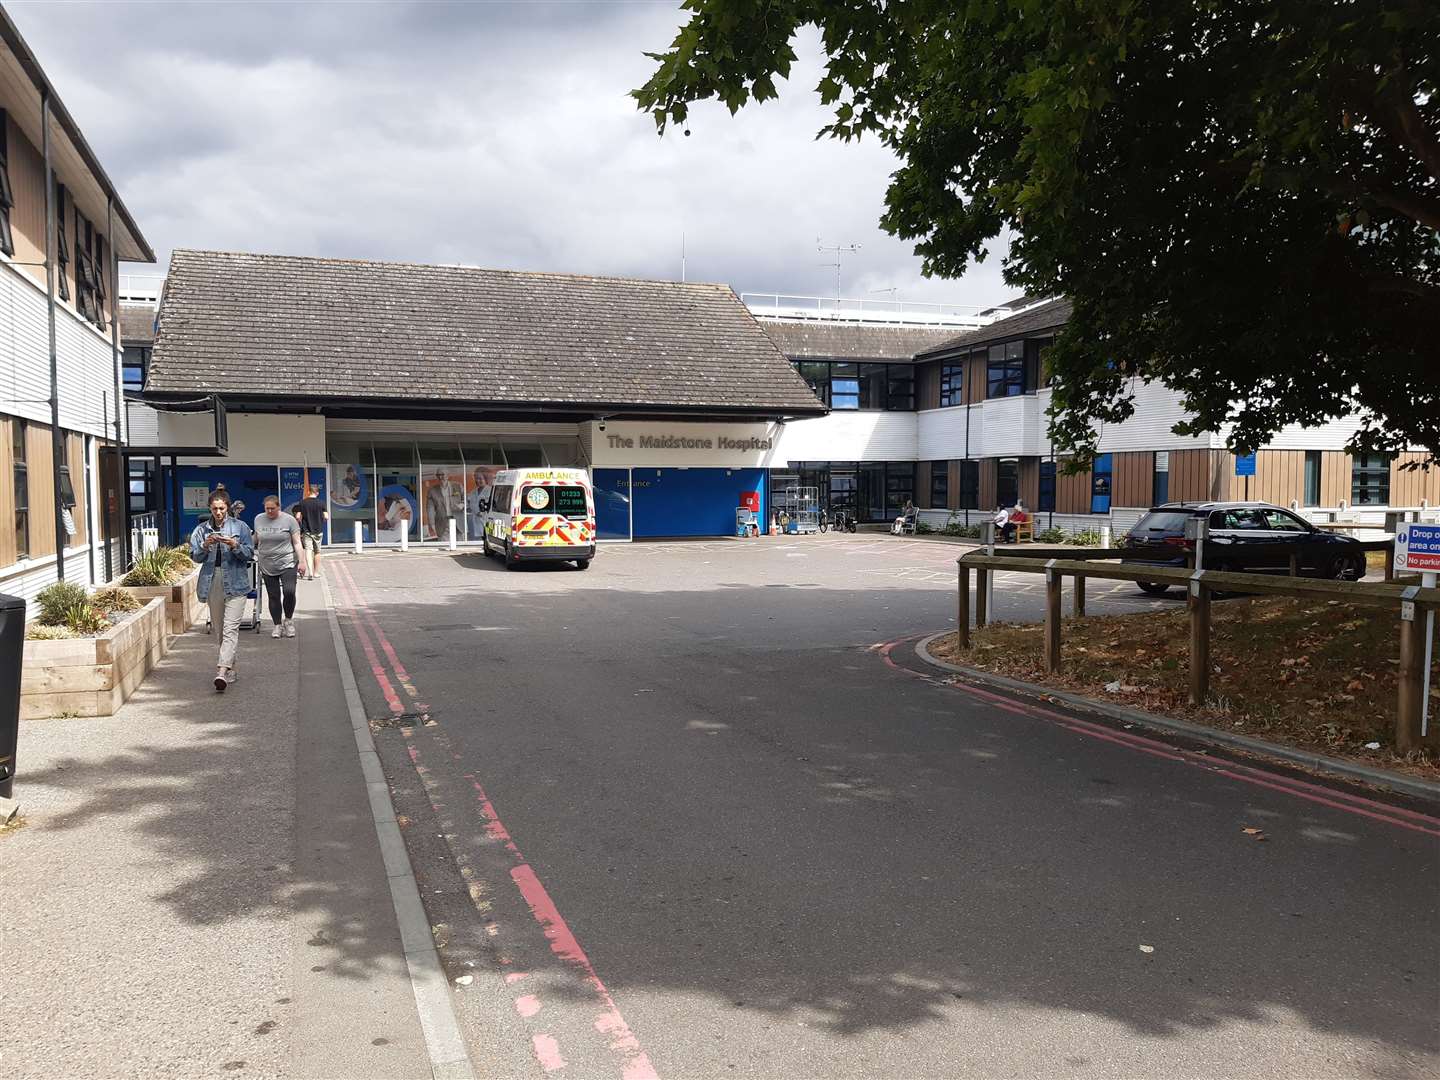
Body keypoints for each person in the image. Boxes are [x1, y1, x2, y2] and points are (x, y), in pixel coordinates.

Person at [190, 489, 254, 693]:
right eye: (215, 508)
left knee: (230, 628)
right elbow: (195, 557)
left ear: (227, 507)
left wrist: (235, 545)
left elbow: (249, 554)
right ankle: (230, 666)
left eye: (222, 508)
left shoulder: (240, 526)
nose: (218, 512)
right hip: (212, 580)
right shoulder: (201, 529)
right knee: (219, 629)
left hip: (236, 581)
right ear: (210, 507)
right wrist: (205, 546)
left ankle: (220, 671)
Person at [254, 495, 305, 639]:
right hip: (267, 563)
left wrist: (302, 561)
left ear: (279, 507)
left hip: (287, 561)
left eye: (273, 508)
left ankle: (288, 620)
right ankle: (277, 625)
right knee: (273, 595)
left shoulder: (289, 520)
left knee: (289, 591)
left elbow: (297, 543)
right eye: (267, 508)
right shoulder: (258, 519)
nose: (269, 511)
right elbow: (256, 538)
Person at [296, 486, 328, 579]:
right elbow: (326, 517)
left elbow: (298, 516)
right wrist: (321, 520)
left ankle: (309, 572)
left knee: (308, 550)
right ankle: (316, 572)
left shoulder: (302, 502)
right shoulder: (321, 503)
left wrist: (301, 522)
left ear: (308, 492)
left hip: (307, 531)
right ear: (317, 493)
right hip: (318, 530)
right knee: (317, 552)